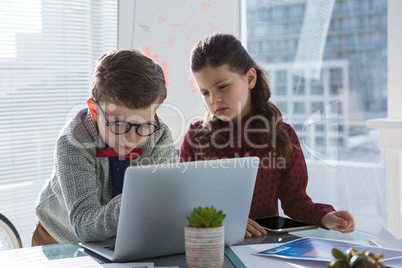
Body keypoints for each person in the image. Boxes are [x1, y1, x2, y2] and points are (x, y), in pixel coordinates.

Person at [179, 33, 355, 238]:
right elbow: (184, 206)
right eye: (205, 92)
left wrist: (326, 217)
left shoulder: (282, 136)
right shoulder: (195, 137)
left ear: (250, 78)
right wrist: (224, 222)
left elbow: (295, 202)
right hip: (212, 246)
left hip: (263, 248)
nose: (214, 99)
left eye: (222, 86)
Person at [32, 49, 177, 246]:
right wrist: (139, 199)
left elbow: (161, 206)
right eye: (118, 124)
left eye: (144, 125)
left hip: (121, 237)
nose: (131, 138)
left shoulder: (159, 135)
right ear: (93, 110)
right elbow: (84, 225)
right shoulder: (73, 141)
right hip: (60, 235)